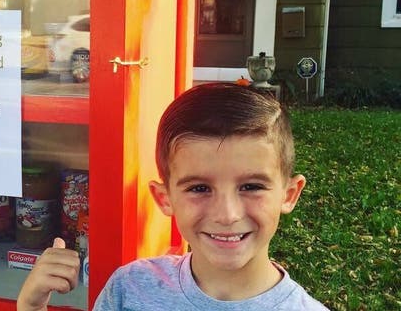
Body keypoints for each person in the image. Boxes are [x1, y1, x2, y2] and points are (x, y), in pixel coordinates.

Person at [17, 83, 329, 310]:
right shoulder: (129, 289)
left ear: (289, 194)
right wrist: (32, 307)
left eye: (251, 187)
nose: (227, 214)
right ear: (164, 198)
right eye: (199, 188)